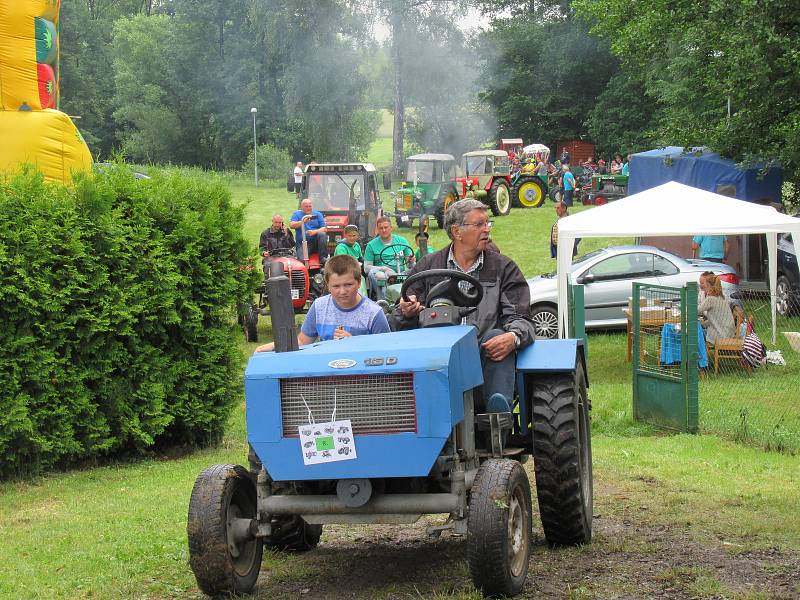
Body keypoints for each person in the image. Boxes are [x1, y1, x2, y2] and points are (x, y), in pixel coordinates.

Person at [393, 199, 535, 408]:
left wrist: (513, 336)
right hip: (436, 357)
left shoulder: (503, 268)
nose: (486, 230)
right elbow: (399, 315)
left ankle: (497, 417)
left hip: (482, 356)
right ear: (456, 231)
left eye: (488, 224)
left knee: (498, 337)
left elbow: (520, 316)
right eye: (479, 225)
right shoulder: (428, 266)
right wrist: (406, 310)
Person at [254, 254, 390, 352]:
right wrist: (274, 346)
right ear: (327, 285)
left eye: (348, 285)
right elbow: (303, 341)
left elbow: (386, 351)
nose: (342, 291)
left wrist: (355, 344)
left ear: (359, 282)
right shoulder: (319, 307)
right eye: (336, 286)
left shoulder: (374, 313)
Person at [364, 216, 414, 301]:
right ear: (377, 230)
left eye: (386, 227)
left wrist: (411, 261)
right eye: (381, 228)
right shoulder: (371, 245)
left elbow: (409, 265)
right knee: (376, 274)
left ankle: (410, 297)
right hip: (382, 275)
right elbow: (367, 268)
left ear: (391, 228)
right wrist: (382, 268)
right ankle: (384, 301)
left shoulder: (402, 241)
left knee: (416, 271)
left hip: (400, 273)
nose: (384, 230)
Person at [698, 273, 736, 345]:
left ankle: (700, 354)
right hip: (727, 333)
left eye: (703, 283)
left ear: (709, 285)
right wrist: (703, 324)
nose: (702, 286)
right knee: (700, 328)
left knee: (696, 332)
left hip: (720, 335)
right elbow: (716, 320)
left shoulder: (711, 299)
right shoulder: (720, 297)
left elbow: (696, 310)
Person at [290, 198, 328, 263]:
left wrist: (314, 232)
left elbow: (324, 229)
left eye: (310, 206)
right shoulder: (296, 214)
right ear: (301, 207)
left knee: (322, 234)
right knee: (302, 260)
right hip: (303, 244)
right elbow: (292, 225)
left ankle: (322, 258)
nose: (308, 208)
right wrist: (302, 222)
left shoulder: (318, 214)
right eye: (306, 206)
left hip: (317, 242)